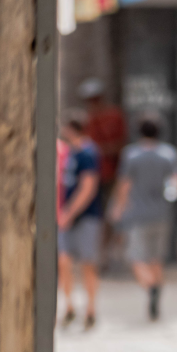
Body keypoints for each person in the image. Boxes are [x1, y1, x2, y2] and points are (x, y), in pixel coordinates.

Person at [109, 114, 177, 321]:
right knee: (156, 258)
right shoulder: (169, 154)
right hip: (162, 213)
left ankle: (151, 287)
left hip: (138, 214)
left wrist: (118, 208)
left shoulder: (131, 155)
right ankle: (156, 293)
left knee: (135, 258)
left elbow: (125, 185)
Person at [59, 112, 104, 329]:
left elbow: (88, 187)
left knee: (88, 263)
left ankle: (91, 308)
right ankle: (69, 306)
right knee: (64, 262)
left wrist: (69, 212)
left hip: (85, 217)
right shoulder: (69, 152)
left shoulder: (88, 152)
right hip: (67, 216)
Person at [79, 78, 128, 266]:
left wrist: (102, 149)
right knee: (94, 216)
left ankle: (105, 253)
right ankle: (96, 255)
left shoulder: (114, 116)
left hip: (111, 174)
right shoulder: (87, 120)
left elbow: (120, 143)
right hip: (92, 175)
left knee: (111, 214)